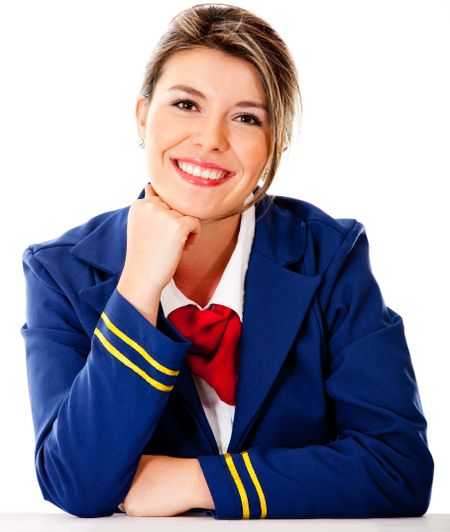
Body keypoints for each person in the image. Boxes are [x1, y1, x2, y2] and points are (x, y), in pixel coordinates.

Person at [20, 3, 434, 520]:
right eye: (186, 104)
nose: (210, 140)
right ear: (142, 116)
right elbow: (74, 483)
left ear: (274, 145)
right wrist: (138, 289)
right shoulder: (61, 273)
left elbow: (398, 468)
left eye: (245, 118)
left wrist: (198, 481)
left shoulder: (330, 255)